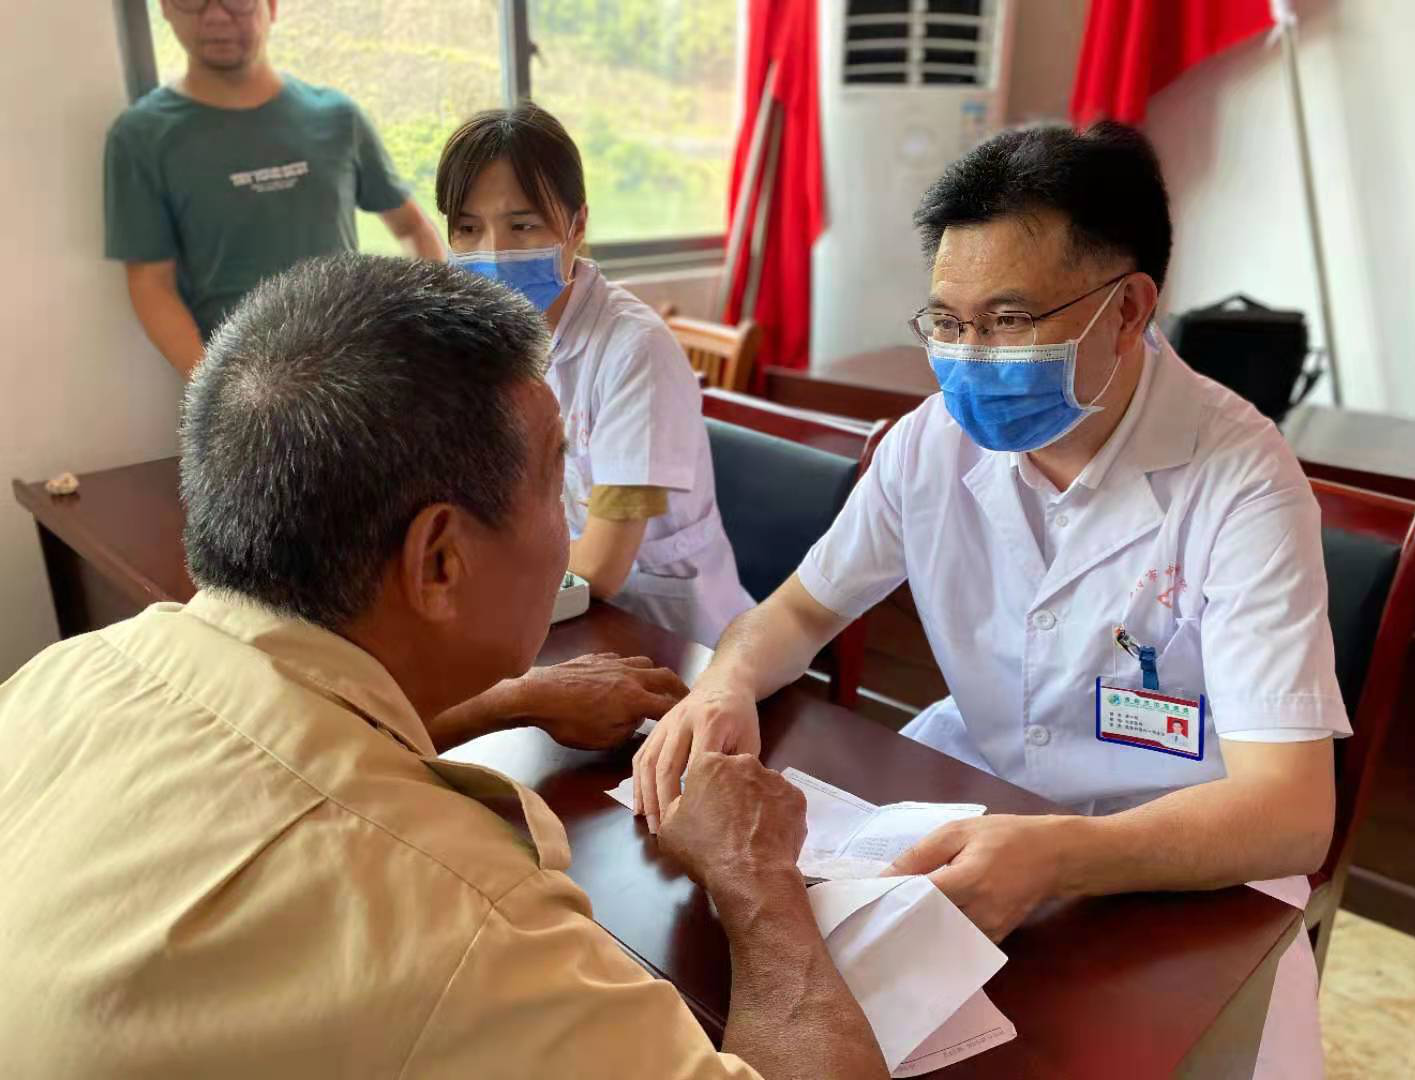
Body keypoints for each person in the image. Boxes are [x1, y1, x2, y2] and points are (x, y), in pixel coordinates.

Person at [0, 254, 887, 1080]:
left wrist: (505, 701)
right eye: (556, 484)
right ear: (440, 562)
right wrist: (758, 877)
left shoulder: (68, 673)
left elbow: (289, 742)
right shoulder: (460, 922)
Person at [633, 122, 1349, 1079]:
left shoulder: (1243, 483)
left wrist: (1060, 856)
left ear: (1129, 308)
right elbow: (799, 613)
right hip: (974, 794)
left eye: (1009, 321)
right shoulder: (930, 442)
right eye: (948, 321)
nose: (969, 359)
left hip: (1176, 856)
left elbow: (1290, 811)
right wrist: (725, 684)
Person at [436, 103, 754, 647]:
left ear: (577, 225)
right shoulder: (483, 340)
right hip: (557, 607)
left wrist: (479, 563)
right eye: (468, 228)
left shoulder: (635, 350)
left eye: (522, 226)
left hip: (664, 632)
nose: (494, 253)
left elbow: (604, 565)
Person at [104, 0, 445, 377]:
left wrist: (430, 338)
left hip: (357, 374)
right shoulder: (140, 137)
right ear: (166, 8)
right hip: (243, 386)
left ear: (272, 6)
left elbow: (412, 228)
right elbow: (151, 284)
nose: (215, 16)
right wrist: (215, 388)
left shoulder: (336, 117)